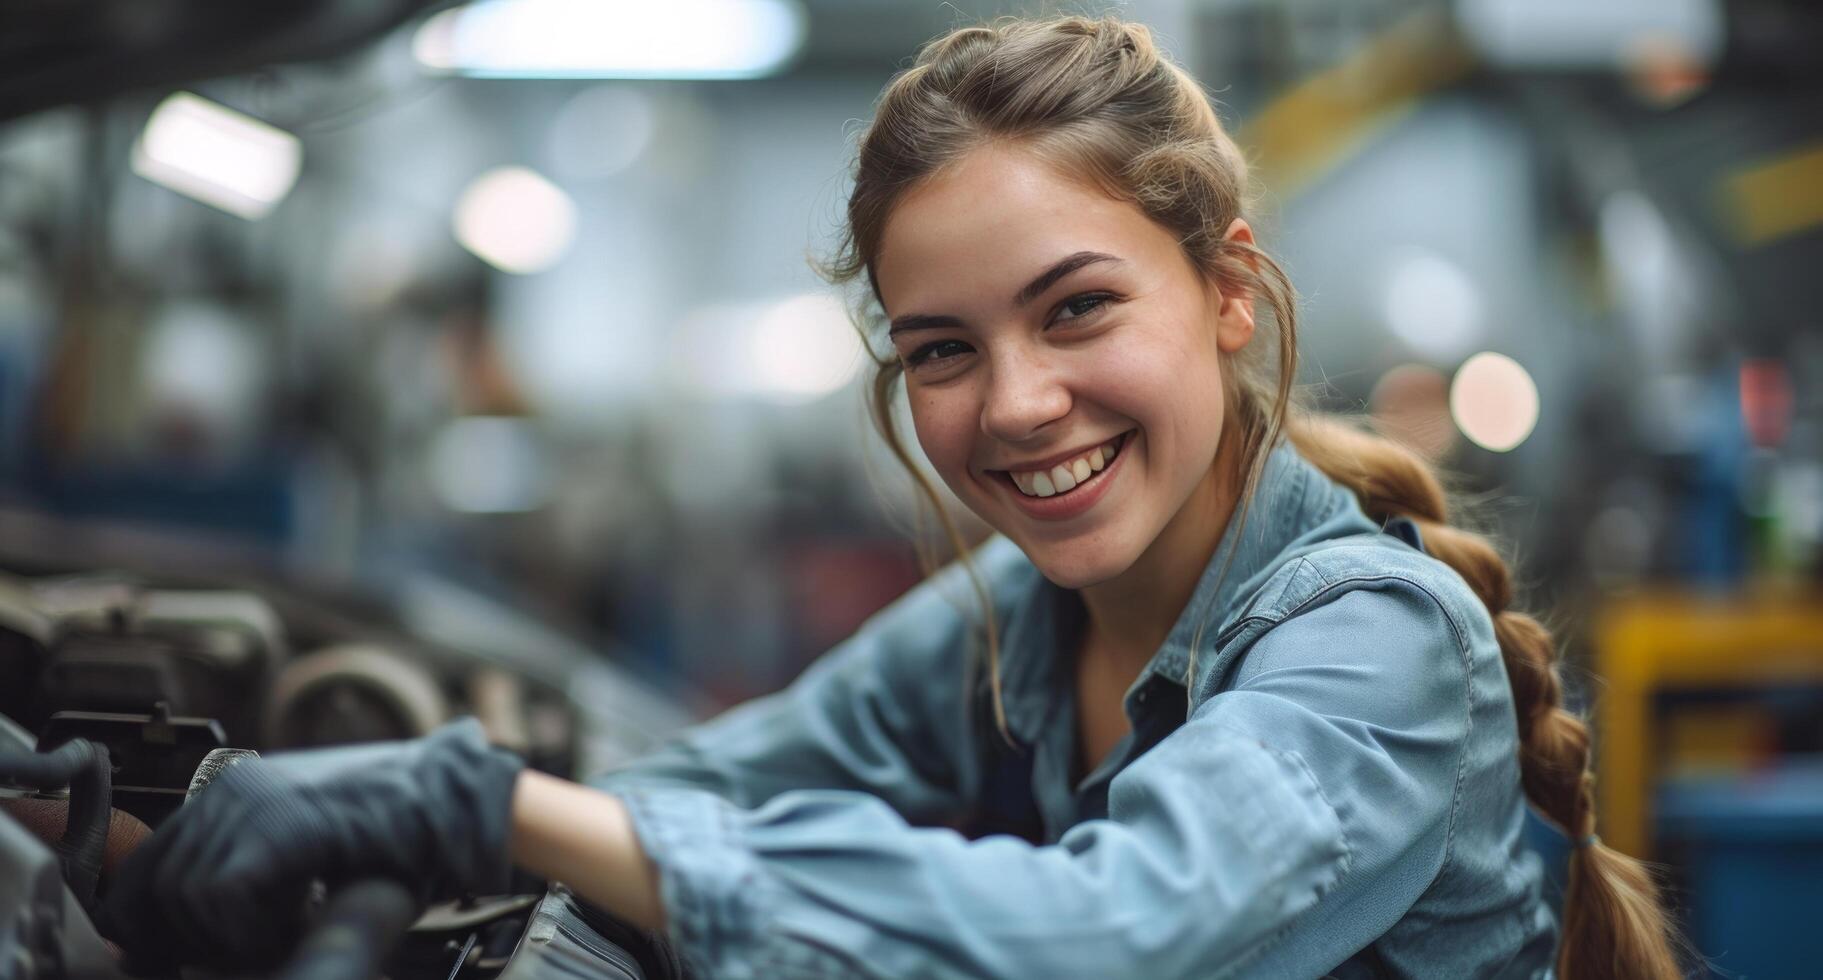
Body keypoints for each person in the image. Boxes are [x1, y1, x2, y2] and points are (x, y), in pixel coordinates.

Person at [100, 15, 1686, 980]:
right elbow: (714, 785)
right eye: (944, 348)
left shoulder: (1378, 651)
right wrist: (148, 837)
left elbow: (1103, 938)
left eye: (1077, 309)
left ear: (1225, 293)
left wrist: (477, 803)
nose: (1012, 405)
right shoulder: (1015, 623)